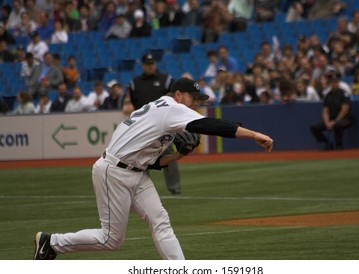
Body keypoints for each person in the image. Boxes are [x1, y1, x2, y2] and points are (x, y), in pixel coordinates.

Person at [33, 77, 274, 260]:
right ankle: (52, 242)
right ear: (178, 95)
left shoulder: (161, 112)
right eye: (193, 99)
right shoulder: (171, 108)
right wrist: (253, 134)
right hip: (113, 172)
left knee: (161, 221)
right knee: (110, 239)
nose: (195, 105)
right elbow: (211, 125)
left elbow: (153, 162)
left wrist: (178, 155)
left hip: (135, 172)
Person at [128, 52, 182, 195]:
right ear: (143, 65)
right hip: (143, 128)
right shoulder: (135, 83)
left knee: (169, 157)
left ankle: (174, 188)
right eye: (147, 64)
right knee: (141, 160)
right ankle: (142, 190)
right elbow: (132, 102)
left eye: (152, 64)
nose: (150, 67)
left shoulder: (165, 79)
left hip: (163, 126)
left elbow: (177, 97)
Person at [310, 73, 355, 150]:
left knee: (337, 124)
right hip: (331, 118)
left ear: (338, 82)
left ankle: (339, 145)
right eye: (332, 82)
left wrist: (335, 121)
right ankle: (326, 143)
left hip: (346, 118)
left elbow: (345, 109)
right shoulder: (328, 95)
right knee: (314, 127)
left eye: (335, 82)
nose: (334, 83)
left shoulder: (344, 93)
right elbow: (325, 110)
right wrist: (327, 122)